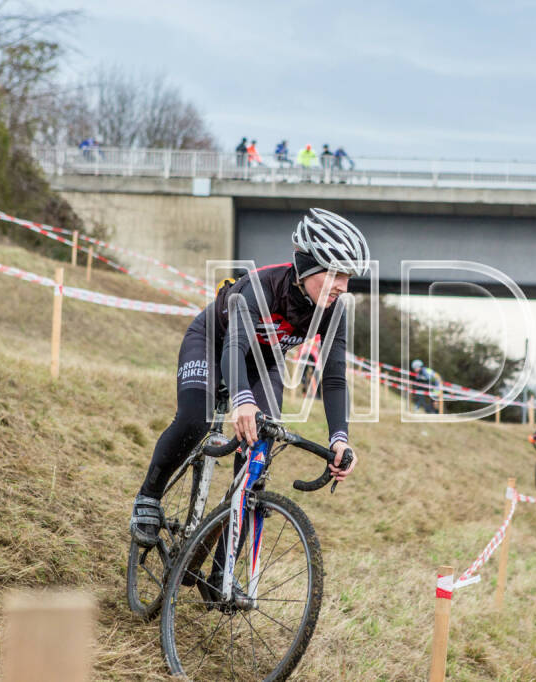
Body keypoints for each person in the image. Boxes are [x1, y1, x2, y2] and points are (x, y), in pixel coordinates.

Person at [129, 208, 371, 548]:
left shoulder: (333, 311)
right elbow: (235, 344)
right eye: (336, 275)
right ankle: (149, 497)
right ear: (307, 267)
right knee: (195, 419)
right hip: (214, 344)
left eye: (348, 277)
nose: (343, 287)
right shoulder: (262, 287)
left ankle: (221, 575)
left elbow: (333, 377)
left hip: (264, 361)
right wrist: (241, 400)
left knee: (258, 453)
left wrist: (339, 438)